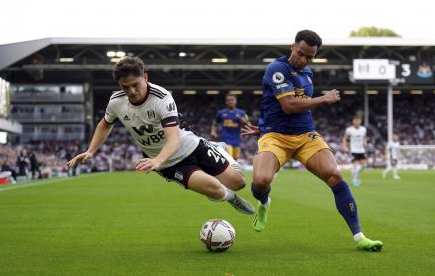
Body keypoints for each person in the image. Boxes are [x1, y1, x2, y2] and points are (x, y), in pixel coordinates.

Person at [242, 30, 382, 251]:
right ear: (292, 46)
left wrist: (261, 125)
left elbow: (290, 104)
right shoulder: (277, 69)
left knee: (335, 175)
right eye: (301, 53)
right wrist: (324, 99)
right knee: (260, 182)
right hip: (276, 136)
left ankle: (360, 237)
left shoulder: (307, 73)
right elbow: (288, 106)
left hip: (306, 135)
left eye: (310, 57)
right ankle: (265, 202)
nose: (304, 60)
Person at [67, 57, 254, 215]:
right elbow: (104, 124)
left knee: (239, 182)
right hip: (169, 164)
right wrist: (91, 151)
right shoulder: (116, 102)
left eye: (135, 85)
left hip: (190, 145)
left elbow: (173, 139)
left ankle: (218, 148)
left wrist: (156, 160)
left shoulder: (161, 97)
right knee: (215, 189)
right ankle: (231, 198)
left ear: (145, 78)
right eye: (125, 87)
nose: (131, 91)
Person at [211, 94, 249, 160]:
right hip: (225, 139)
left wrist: (243, 121)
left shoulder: (242, 113)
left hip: (236, 139)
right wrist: (213, 131)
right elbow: (215, 123)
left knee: (235, 158)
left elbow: (248, 124)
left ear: (236, 101)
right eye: (228, 100)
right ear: (226, 102)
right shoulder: (221, 113)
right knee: (229, 157)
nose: (230, 101)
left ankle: (233, 169)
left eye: (232, 100)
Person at [342, 116, 368, 186]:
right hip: (353, 149)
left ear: (360, 121)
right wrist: (345, 147)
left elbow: (364, 137)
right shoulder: (349, 130)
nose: (357, 122)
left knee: (364, 165)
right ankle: (354, 179)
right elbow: (344, 138)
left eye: (358, 120)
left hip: (361, 149)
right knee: (355, 164)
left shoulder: (363, 129)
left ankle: (354, 174)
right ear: (353, 121)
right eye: (355, 120)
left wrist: (365, 142)